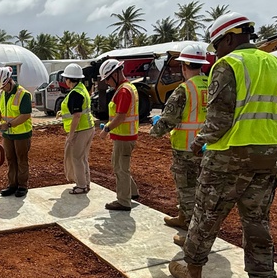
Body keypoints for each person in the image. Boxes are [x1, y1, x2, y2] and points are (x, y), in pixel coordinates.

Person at [167, 11, 277, 278]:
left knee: (206, 214)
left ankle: (193, 270)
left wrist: (198, 143)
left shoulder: (229, 65)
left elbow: (220, 118)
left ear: (228, 38)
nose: (216, 53)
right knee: (257, 223)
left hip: (228, 154)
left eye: (216, 45)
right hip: (266, 155)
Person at [150, 43, 210, 228]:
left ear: (184, 66)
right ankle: (185, 218)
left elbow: (169, 119)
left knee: (186, 188)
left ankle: (189, 225)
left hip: (185, 148)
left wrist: (154, 130)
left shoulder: (184, 89)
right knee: (201, 187)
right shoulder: (212, 84)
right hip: (207, 146)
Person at [97, 58, 140, 211]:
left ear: (115, 74)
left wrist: (106, 129)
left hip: (124, 137)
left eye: (107, 78)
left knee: (120, 168)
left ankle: (123, 201)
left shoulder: (123, 91)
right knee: (122, 166)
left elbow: (120, 116)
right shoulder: (128, 88)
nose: (107, 82)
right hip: (126, 135)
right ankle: (132, 193)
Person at [0, 66, 32, 197]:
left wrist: (8, 124)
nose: (2, 89)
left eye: (3, 86)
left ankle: (22, 185)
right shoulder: (2, 93)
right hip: (8, 134)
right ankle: (12, 184)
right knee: (10, 159)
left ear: (9, 81)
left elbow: (25, 115)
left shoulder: (23, 94)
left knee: (21, 159)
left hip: (21, 134)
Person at [58, 63, 94, 194]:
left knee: (76, 158)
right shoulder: (82, 89)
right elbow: (78, 111)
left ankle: (81, 185)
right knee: (83, 157)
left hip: (80, 130)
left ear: (68, 79)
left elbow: (77, 116)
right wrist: (62, 113)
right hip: (88, 128)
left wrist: (71, 135)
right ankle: (86, 183)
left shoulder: (75, 94)